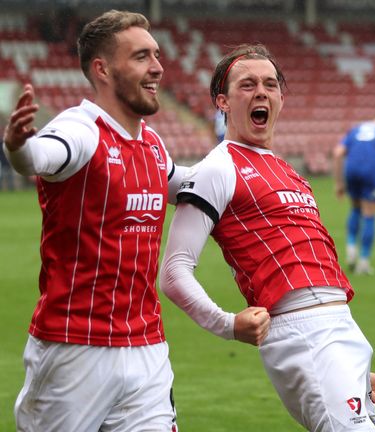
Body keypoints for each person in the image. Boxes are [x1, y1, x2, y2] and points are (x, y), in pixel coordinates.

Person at [1, 10, 266, 431]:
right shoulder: (80, 130)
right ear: (102, 69)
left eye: (156, 55)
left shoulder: (152, 145)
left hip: (147, 349)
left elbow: (193, 184)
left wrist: (257, 169)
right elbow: (41, 157)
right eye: (141, 56)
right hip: (75, 350)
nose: (158, 67)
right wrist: (19, 147)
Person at [159, 43, 375, 432]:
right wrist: (227, 324)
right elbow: (174, 272)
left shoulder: (288, 171)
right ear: (222, 101)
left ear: (281, 99)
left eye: (270, 84)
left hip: (340, 330)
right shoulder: (218, 169)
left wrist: (346, 370)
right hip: (300, 331)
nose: (261, 92)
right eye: (247, 84)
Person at [332, 111, 375, 275]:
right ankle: (363, 262)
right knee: (369, 215)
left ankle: (350, 249)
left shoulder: (357, 128)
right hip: (371, 173)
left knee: (355, 208)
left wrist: (339, 183)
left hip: (351, 171)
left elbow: (338, 153)